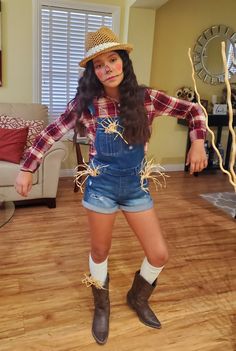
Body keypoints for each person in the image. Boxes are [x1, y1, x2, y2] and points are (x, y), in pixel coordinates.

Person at [15, 27, 207, 345]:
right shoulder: (88, 103)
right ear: (94, 72)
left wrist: (197, 143)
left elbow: (193, 110)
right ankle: (101, 306)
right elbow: (53, 129)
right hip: (100, 188)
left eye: (113, 60)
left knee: (159, 254)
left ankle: (138, 297)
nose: (108, 68)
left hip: (136, 189)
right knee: (100, 250)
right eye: (100, 65)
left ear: (124, 62)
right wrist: (27, 167)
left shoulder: (148, 98)